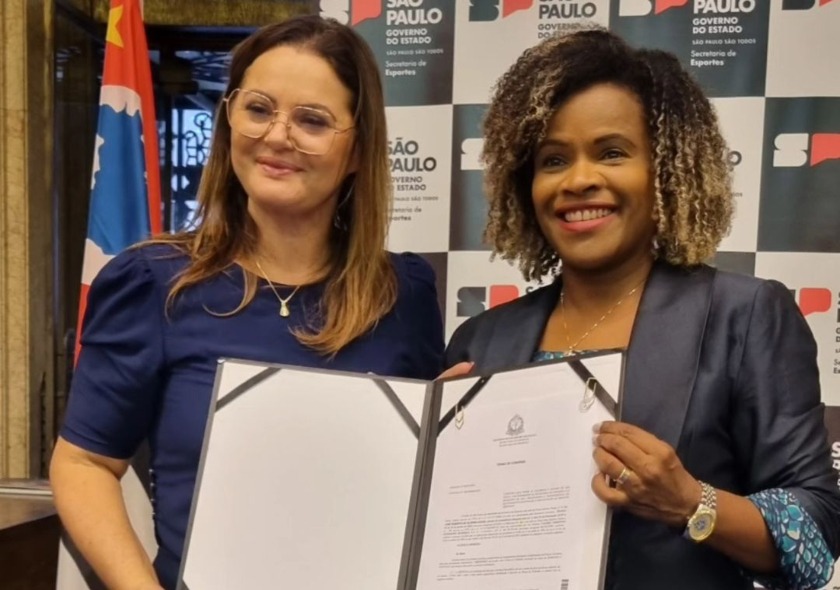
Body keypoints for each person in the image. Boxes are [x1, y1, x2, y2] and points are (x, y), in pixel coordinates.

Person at [50, 15, 444, 590]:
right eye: (258, 109)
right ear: (229, 118)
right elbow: (83, 462)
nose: (278, 136)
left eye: (312, 120)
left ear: (358, 150)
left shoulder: (404, 294)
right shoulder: (154, 283)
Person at [445, 27, 840, 590]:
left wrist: (691, 503)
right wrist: (431, 456)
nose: (579, 180)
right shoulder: (480, 342)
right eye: (553, 160)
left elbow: (815, 538)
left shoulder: (745, 315)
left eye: (611, 153)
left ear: (667, 171)